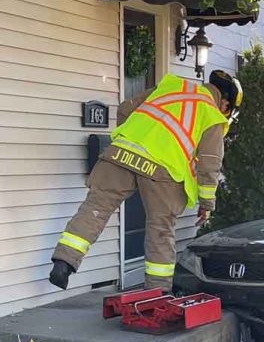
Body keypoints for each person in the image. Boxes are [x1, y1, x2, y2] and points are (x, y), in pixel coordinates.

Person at [48, 70, 243, 293]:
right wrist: (207, 204)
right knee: (160, 229)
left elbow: (124, 109)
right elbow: (209, 165)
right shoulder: (212, 115)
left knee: (96, 207)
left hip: (121, 153)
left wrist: (131, 137)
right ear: (226, 104)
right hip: (163, 169)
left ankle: (64, 263)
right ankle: (157, 294)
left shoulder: (172, 87)